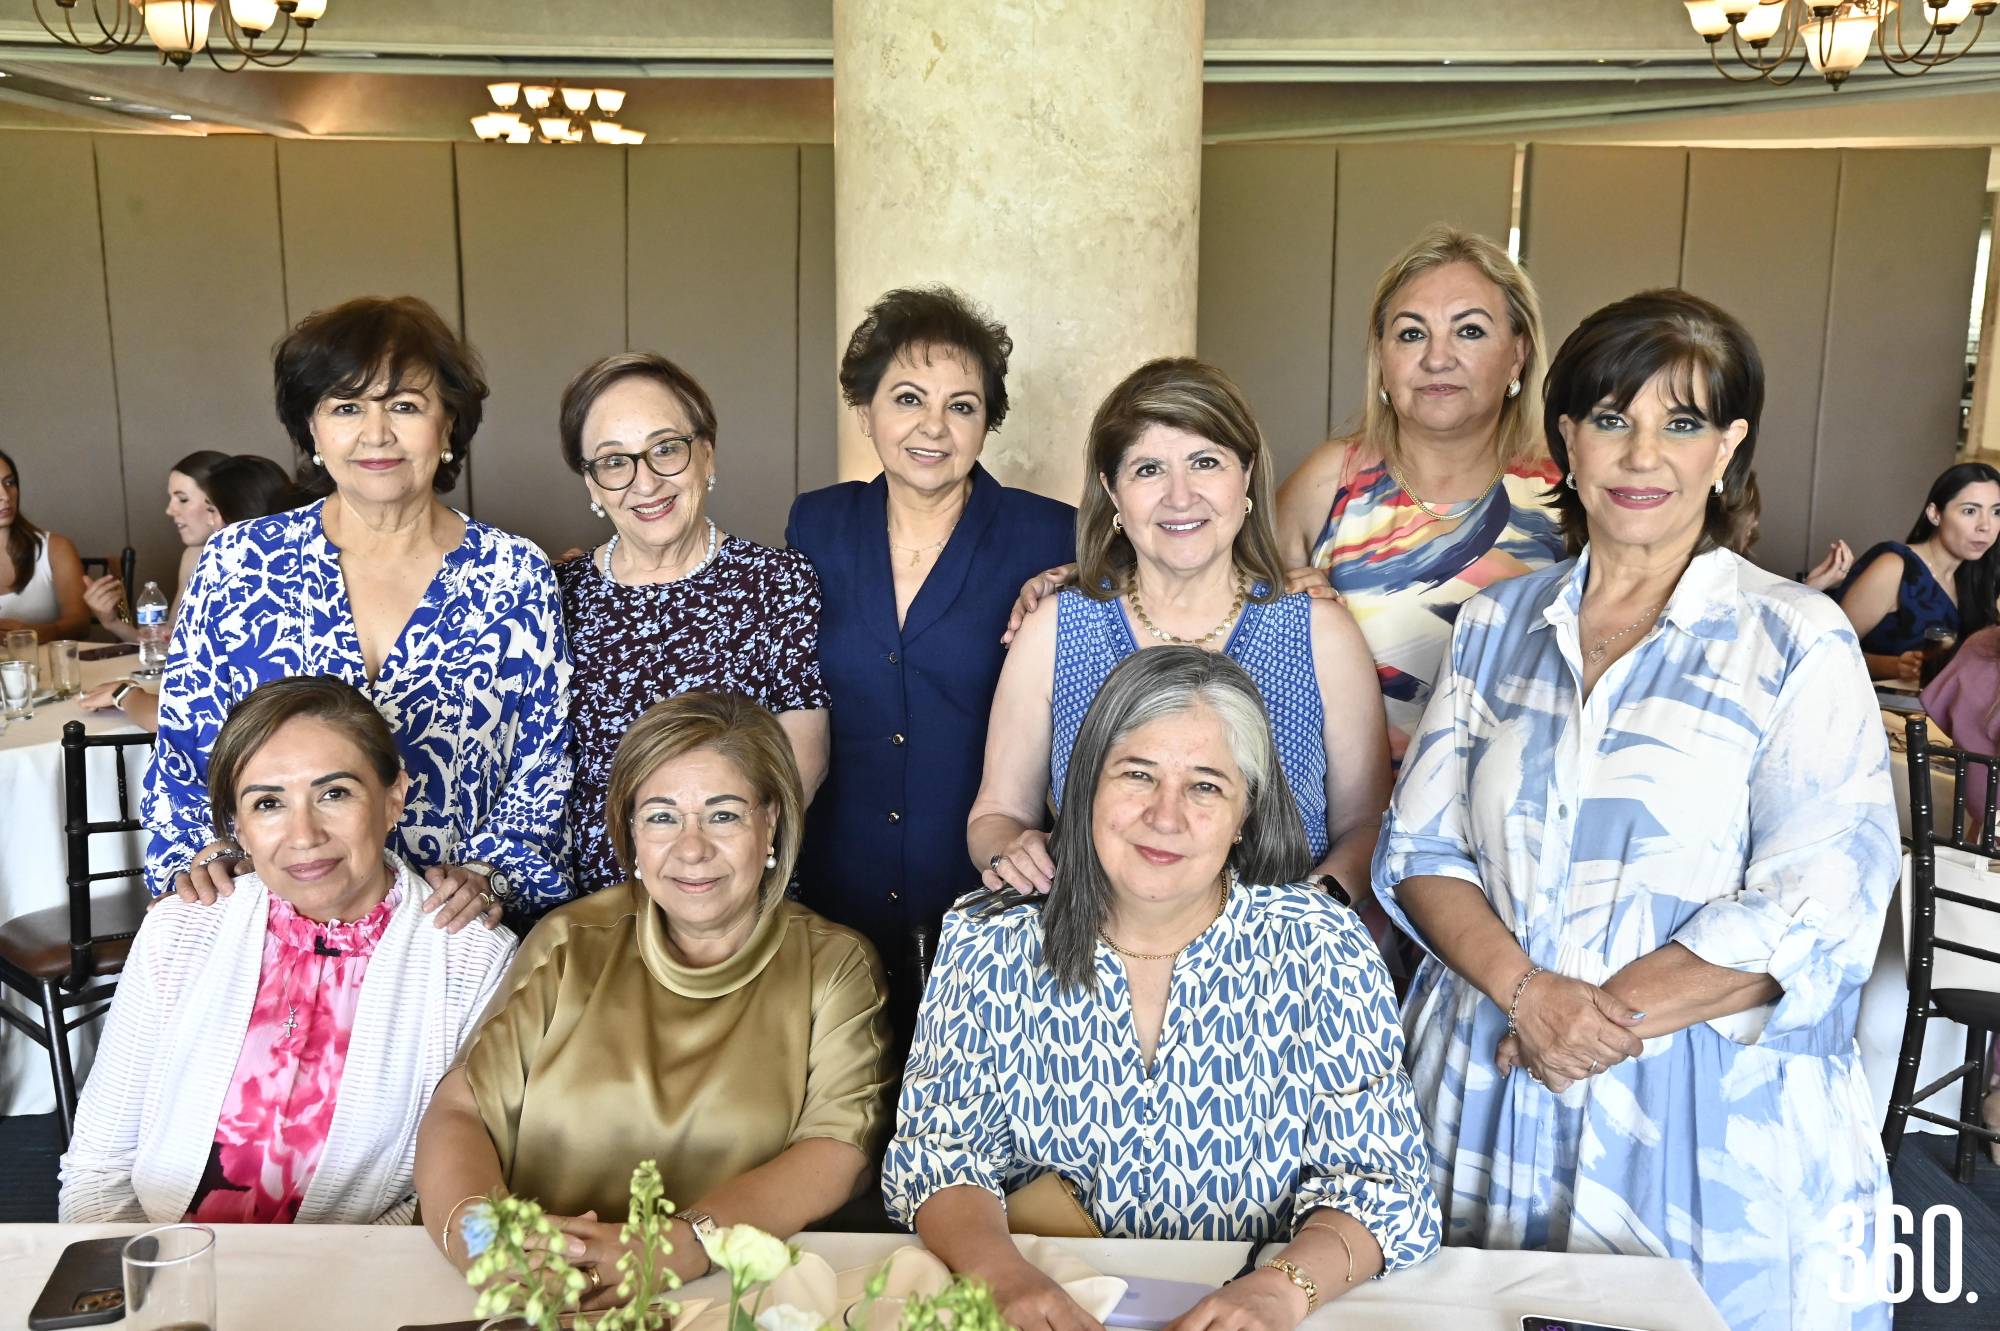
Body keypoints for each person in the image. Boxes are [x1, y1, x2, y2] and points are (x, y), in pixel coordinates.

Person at [1374, 289, 1896, 1331]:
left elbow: (1817, 899)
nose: (1640, 452)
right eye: (1611, 418)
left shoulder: (1793, 638)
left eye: (1682, 421)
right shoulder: (1491, 622)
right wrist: (1531, 996)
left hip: (1697, 1111)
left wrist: (1590, 1024)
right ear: (1565, 439)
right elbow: (1420, 849)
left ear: (1727, 446)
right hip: (1491, 1077)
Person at [885, 648, 1438, 1331]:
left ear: (1245, 812)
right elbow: (937, 1157)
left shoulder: (1321, 945)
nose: (1165, 815)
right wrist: (1003, 1279)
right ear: (1085, 784)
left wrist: (1279, 1291)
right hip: (1042, 1303)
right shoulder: (987, 939)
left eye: (1206, 785)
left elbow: (1384, 1187)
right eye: (1137, 773)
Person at [414, 692, 892, 1309]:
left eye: (723, 816)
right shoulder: (568, 941)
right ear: (631, 828)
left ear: (771, 820)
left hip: (730, 1300)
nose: (691, 849)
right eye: (662, 817)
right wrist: (484, 1243)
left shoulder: (835, 964)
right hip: (536, 1296)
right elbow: (462, 1110)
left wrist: (671, 1248)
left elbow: (839, 1152)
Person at [143, 295, 573, 927]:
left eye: (404, 405)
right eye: (346, 407)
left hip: (446, 933)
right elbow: (185, 747)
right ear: (312, 430)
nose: (376, 434)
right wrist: (199, 856)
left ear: (447, 425)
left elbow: (543, 761)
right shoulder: (239, 561)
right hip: (272, 917)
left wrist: (491, 873)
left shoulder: (514, 574)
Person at [59, 677, 517, 1224]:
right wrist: (139, 1287)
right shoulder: (183, 928)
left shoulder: (470, 957)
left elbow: (431, 1197)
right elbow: (97, 1167)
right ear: (239, 828)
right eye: (268, 803)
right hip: (164, 1267)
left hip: (353, 1283)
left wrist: (315, 1291)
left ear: (393, 797)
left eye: (335, 793)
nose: (304, 835)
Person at [971, 358, 1390, 922]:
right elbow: (997, 812)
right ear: (1111, 490)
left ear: (1246, 475)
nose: (1180, 496)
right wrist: (1011, 851)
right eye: (1147, 470)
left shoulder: (1321, 633)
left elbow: (1366, 825)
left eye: (1205, 462)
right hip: (1095, 958)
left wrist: (1309, 911)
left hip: (1281, 971)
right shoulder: (1054, 629)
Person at [788, 286, 1074, 1035]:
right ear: (865, 410)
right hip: (829, 896)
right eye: (908, 397)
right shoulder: (815, 524)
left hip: (988, 898)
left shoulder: (1052, 537)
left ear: (988, 422)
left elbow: (1172, 591)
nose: (933, 428)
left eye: (962, 405)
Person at [1276, 225, 1564, 765]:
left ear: (1518, 355)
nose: (1437, 358)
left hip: (1504, 826)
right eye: (1411, 334)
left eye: (1470, 332)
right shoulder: (1328, 481)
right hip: (1339, 825)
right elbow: (1218, 610)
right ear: (1381, 358)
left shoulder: (1565, 498)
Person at [555, 353, 829, 898]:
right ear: (591, 484)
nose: (645, 481)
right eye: (614, 461)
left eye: (665, 449)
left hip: (734, 897)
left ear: (705, 454)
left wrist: (703, 875)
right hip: (595, 912)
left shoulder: (777, 583)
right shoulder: (559, 594)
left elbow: (802, 760)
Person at [82, 453, 301, 732]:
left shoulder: (238, 591)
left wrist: (125, 695)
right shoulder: (304, 572)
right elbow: (170, 643)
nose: (170, 510)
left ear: (231, 512)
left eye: (208, 508)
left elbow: (190, 717)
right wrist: (113, 622)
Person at [1833, 460, 2000, 683]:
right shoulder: (1893, 568)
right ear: (1934, 514)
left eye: (1996, 512)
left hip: (1937, 714)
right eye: (1970, 511)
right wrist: (1894, 666)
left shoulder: (1976, 578)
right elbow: (1828, 648)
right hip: (1876, 710)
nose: (1986, 526)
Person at [82, 449, 229, 641]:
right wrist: (112, 622)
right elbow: (167, 647)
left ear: (219, 502)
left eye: (183, 499)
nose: (169, 510)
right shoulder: (193, 557)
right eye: (171, 498)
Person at [0, 446, 93, 643]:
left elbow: (81, 624)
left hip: (50, 669)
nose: (5, 496)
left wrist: (41, 632)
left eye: (9, 483)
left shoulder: (56, 548)